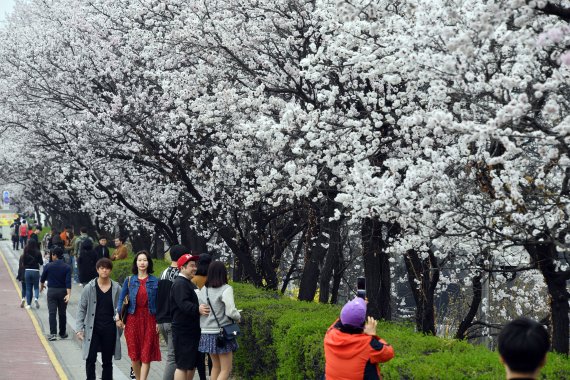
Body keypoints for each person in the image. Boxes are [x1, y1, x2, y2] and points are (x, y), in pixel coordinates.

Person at [324, 297, 394, 380]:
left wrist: (354, 307)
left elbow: (340, 321)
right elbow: (389, 353)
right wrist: (372, 335)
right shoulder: (368, 344)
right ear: (363, 325)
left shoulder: (330, 334)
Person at [116, 251, 161, 380]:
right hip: (132, 319)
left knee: (146, 354)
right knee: (134, 356)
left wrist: (159, 321)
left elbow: (159, 303)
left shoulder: (155, 281)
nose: (142, 263)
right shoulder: (129, 280)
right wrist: (118, 316)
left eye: (145, 260)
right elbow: (121, 299)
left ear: (148, 263)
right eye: (140, 260)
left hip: (150, 319)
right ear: (136, 263)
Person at [76, 258, 123, 380]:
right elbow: (82, 308)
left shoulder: (117, 288)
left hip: (110, 329)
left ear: (110, 270)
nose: (104, 271)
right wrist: (79, 328)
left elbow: (122, 308)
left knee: (107, 361)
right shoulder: (89, 288)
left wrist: (121, 320)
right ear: (97, 270)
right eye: (102, 268)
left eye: (107, 268)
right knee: (90, 358)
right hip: (93, 329)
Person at [197, 261, 241, 380]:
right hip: (221, 334)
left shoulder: (203, 289)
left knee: (215, 367)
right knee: (226, 369)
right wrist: (238, 317)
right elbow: (231, 311)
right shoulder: (226, 289)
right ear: (223, 273)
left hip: (206, 332)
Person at [170, 253, 206, 380]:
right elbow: (183, 304)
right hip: (183, 330)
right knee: (183, 365)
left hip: (192, 330)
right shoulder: (180, 283)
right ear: (182, 268)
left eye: (195, 265)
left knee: (191, 364)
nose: (195, 268)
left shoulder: (189, 283)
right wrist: (198, 309)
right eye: (191, 266)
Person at [156, 245, 187, 380]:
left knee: (173, 356)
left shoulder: (163, 273)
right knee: (173, 357)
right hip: (173, 320)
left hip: (162, 319)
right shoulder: (179, 275)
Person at [40, 247, 71, 341]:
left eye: (52, 254)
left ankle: (53, 334)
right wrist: (68, 294)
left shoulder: (48, 266)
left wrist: (42, 287)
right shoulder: (67, 267)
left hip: (52, 291)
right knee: (62, 313)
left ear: (55, 255)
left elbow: (42, 279)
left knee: (52, 313)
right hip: (63, 292)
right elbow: (68, 282)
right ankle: (62, 333)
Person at [192, 253, 213, 379]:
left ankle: (202, 377)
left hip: (199, 318)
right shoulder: (214, 279)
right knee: (212, 353)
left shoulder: (194, 280)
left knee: (200, 351)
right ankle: (212, 375)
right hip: (212, 319)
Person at [22, 240, 43, 309]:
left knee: (28, 288)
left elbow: (23, 262)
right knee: (36, 287)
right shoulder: (38, 252)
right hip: (35, 271)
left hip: (27, 271)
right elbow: (41, 262)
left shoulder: (26, 251)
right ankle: (36, 299)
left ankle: (28, 304)